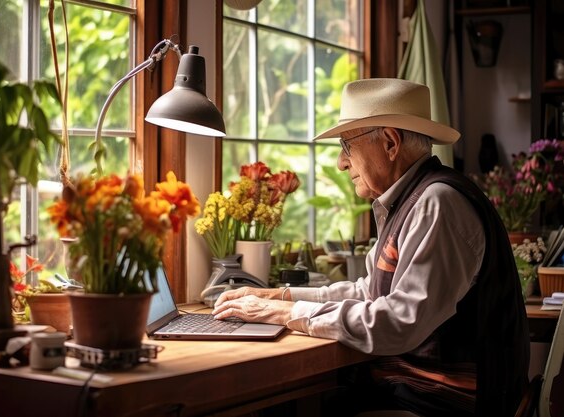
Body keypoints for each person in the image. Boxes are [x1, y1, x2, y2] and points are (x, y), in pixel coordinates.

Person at [212, 78, 530, 417]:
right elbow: (370, 292)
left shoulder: (438, 203)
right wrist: (281, 297)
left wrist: (288, 315)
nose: (341, 163)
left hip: (447, 404)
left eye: (347, 146)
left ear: (391, 143)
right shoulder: (409, 198)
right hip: (414, 391)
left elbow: (398, 322)